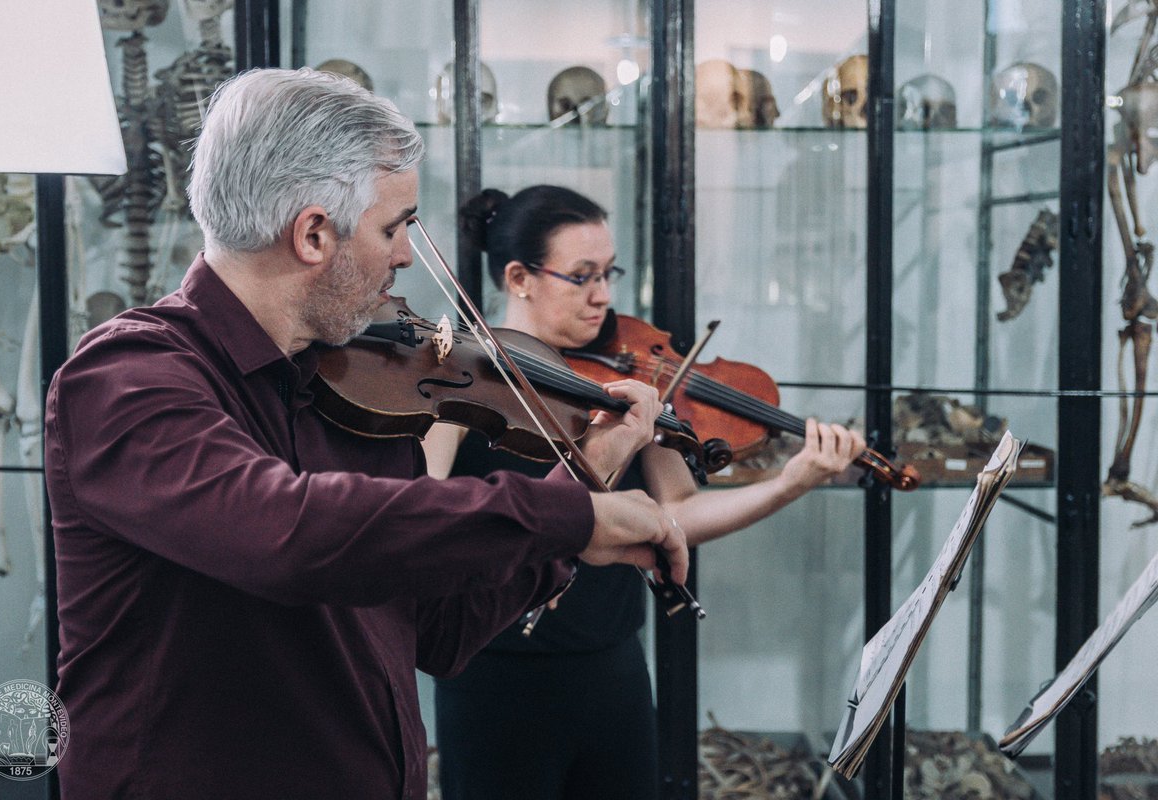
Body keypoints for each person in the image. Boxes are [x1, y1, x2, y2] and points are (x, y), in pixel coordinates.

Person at [43, 70, 690, 799]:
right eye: (394, 227)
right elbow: (288, 531)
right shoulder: (127, 378)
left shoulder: (360, 387)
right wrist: (562, 514)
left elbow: (441, 629)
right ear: (314, 233)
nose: (408, 256)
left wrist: (585, 473)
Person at [426, 184, 868, 800]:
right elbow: (425, 523)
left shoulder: (625, 377)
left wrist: (789, 484)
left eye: (609, 273)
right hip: (493, 677)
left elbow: (677, 512)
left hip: (613, 668)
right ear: (520, 277)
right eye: (581, 276)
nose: (603, 296)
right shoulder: (457, 377)